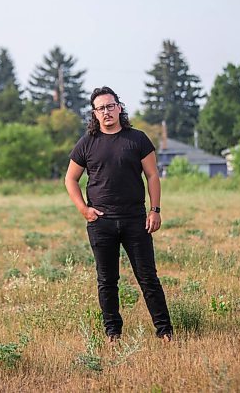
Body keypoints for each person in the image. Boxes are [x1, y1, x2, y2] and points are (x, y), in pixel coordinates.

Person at [65, 86, 173, 343]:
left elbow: (152, 176)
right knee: (107, 280)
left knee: (148, 277)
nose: (106, 111)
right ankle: (113, 333)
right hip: (101, 222)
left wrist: (155, 210)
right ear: (94, 114)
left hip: (136, 220)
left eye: (110, 106)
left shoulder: (137, 139)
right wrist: (83, 209)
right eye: (100, 108)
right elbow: (70, 179)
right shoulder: (87, 143)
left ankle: (165, 331)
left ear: (119, 107)